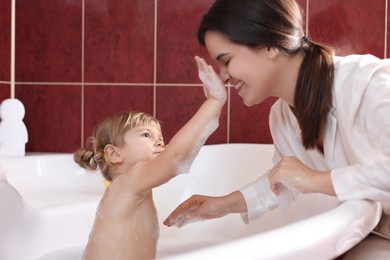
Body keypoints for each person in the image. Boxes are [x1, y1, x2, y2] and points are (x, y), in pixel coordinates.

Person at [163, 0, 390, 257]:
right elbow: (284, 179)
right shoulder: (282, 116)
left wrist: (314, 179)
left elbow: (303, 177)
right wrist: (224, 205)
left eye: (226, 61)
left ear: (270, 45)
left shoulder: (370, 85)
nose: (223, 76)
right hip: (375, 229)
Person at [73, 56, 226, 260]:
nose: (161, 143)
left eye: (161, 138)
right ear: (114, 153)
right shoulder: (128, 182)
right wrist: (214, 102)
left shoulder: (132, 188)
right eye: (147, 135)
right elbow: (175, 158)